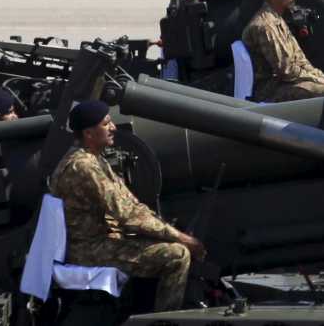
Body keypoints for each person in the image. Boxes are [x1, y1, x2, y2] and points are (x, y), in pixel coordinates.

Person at [49, 100, 206, 311]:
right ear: (88, 133)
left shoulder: (94, 159)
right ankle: (164, 319)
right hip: (87, 250)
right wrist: (182, 238)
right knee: (177, 256)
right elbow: (128, 215)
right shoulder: (84, 167)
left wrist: (166, 229)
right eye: (106, 124)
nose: (113, 127)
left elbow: (131, 204)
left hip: (101, 242)